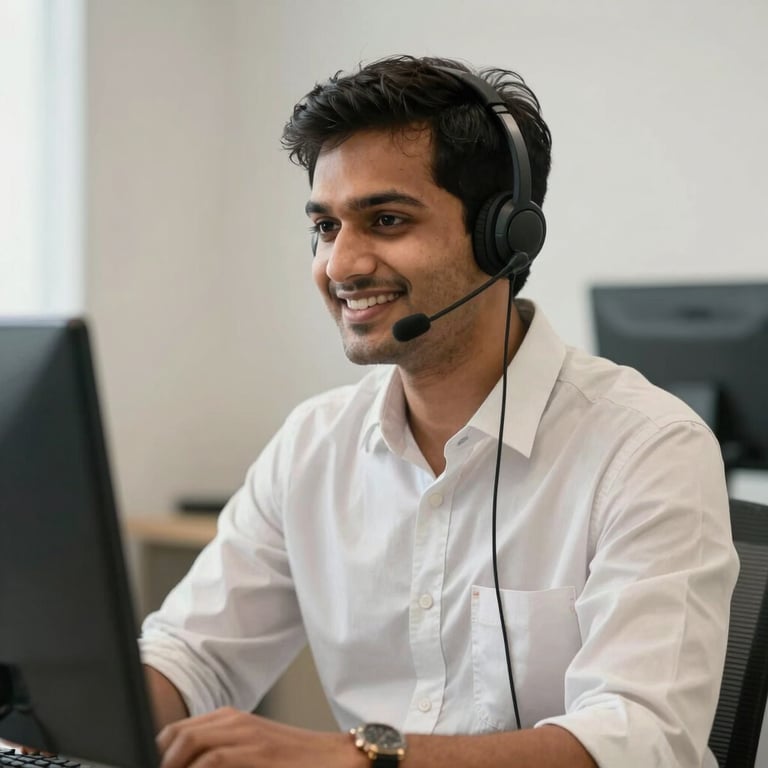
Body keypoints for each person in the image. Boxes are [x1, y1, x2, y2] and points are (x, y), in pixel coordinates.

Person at [139, 55, 739, 768]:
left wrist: (360, 759)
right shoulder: (314, 444)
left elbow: (644, 740)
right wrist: (56, 705)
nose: (341, 265)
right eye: (326, 227)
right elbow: (188, 657)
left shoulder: (646, 447)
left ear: (505, 238)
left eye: (385, 220)